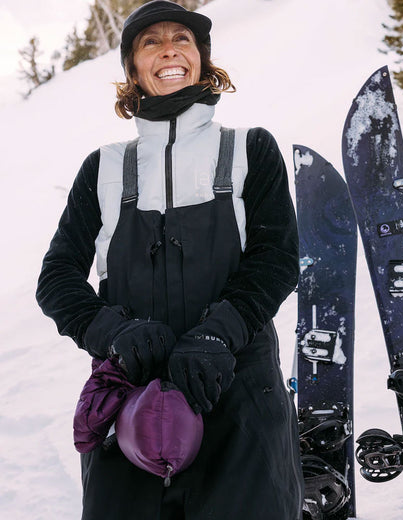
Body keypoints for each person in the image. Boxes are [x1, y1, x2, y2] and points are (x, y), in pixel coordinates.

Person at [36, 1, 303, 519]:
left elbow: (276, 259)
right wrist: (112, 332)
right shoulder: (103, 167)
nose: (168, 50)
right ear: (133, 69)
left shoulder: (250, 149)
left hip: (240, 398)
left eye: (182, 38)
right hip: (129, 402)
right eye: (150, 42)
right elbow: (57, 277)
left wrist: (218, 334)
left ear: (201, 59)